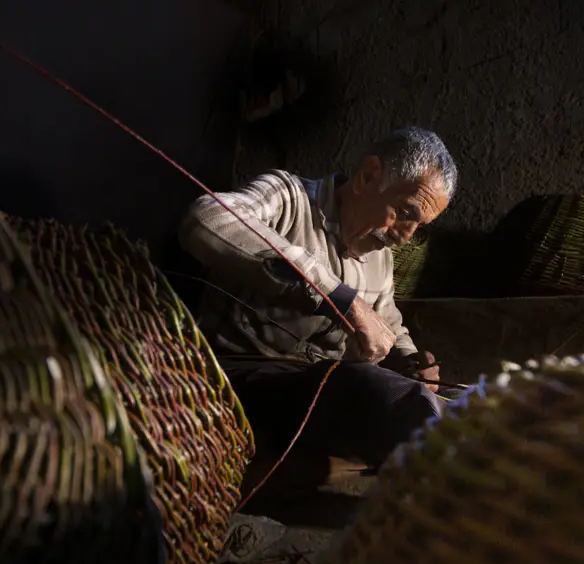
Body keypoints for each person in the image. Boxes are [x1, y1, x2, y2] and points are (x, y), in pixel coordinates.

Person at [179, 127, 458, 477]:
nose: (405, 236)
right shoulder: (289, 198)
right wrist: (339, 298)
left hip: (313, 399)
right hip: (230, 381)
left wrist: (408, 357)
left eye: (419, 225)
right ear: (368, 176)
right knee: (373, 392)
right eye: (404, 212)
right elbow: (204, 219)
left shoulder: (379, 256)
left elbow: (386, 318)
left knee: (421, 400)